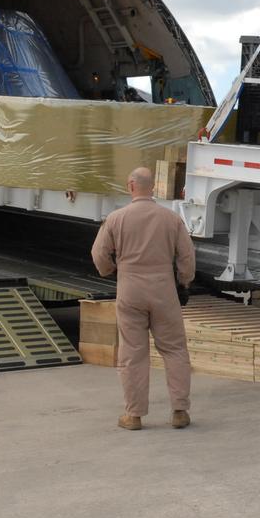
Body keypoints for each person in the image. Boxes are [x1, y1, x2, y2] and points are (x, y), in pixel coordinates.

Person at [91, 166, 196, 431]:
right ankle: (180, 410)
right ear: (154, 188)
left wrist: (110, 271)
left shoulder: (116, 218)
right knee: (174, 350)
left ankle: (134, 415)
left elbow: (99, 253)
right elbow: (187, 256)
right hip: (163, 290)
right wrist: (184, 282)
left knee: (133, 354)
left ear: (130, 186)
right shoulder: (171, 219)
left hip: (130, 289)